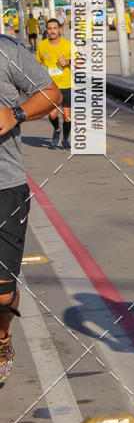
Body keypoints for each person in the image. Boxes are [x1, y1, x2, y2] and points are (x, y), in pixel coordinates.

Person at [0, 34, 62, 383]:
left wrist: (16, 114)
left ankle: (2, 336)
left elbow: (51, 94)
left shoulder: (7, 52)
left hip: (4, 186)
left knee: (3, 292)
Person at [36, 18, 72, 149]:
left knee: (67, 116)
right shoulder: (41, 45)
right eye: (50, 28)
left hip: (66, 84)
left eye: (55, 28)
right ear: (46, 30)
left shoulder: (68, 44)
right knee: (52, 114)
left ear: (60, 29)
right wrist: (41, 69)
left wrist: (68, 61)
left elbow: (81, 60)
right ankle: (57, 129)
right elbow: (38, 62)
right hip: (50, 86)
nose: (52, 31)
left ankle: (66, 140)